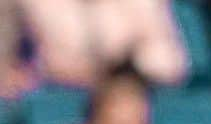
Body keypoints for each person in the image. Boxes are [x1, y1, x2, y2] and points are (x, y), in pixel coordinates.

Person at [17, 0, 188, 87]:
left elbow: (170, 65)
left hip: (137, 91)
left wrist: (121, 69)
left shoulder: (143, 4)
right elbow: (51, 62)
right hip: (62, 96)